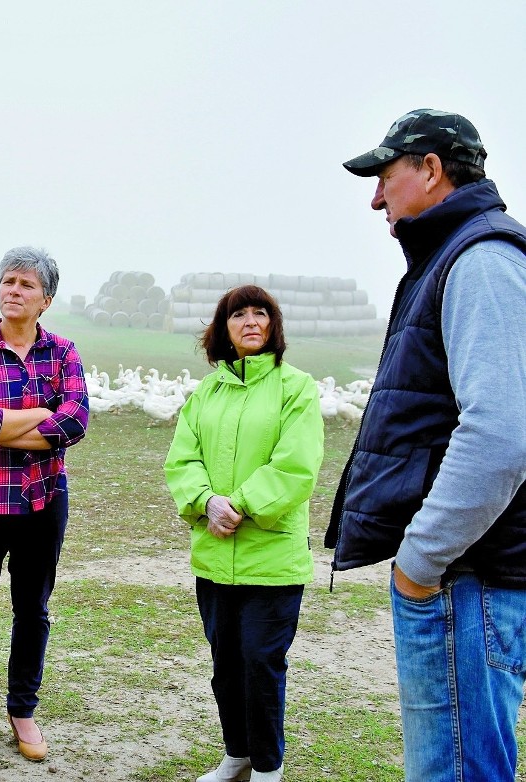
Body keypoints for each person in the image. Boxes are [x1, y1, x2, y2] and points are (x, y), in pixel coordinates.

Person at [326, 109, 526, 781]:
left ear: (431, 170)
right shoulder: (456, 256)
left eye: (385, 175)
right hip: (462, 574)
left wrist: (421, 559)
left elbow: (501, 434)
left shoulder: (482, 260)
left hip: (465, 577)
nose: (376, 196)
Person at [164, 285, 324, 782]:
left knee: (261, 662)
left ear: (274, 325)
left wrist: (240, 504)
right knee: (226, 664)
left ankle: (268, 768)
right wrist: (205, 501)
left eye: (260, 313)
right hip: (215, 555)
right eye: (239, 314)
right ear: (223, 327)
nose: (250, 321)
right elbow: (182, 459)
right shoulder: (206, 393)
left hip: (272, 558)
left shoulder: (297, 388)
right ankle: (237, 756)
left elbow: (296, 465)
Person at [0, 246, 89, 767]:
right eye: (8, 281)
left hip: (42, 502)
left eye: (27, 285)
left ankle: (22, 709)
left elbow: (74, 424)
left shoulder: (65, 353)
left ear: (46, 299)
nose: (14, 291)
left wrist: (13, 425)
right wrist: (42, 418)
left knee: (33, 609)